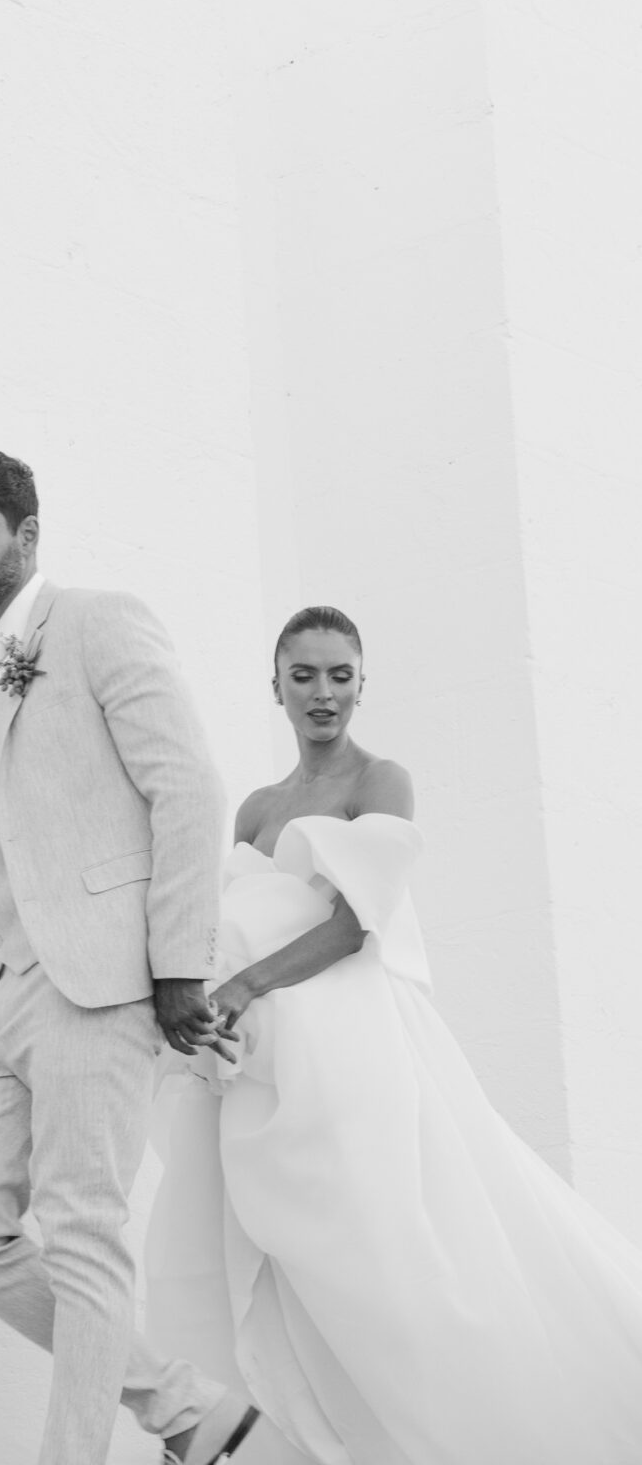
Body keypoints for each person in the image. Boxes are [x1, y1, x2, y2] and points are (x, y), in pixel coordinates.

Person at [145, 605, 642, 1464]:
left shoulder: (380, 780)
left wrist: (243, 986)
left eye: (340, 674)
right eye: (303, 674)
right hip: (264, 1063)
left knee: (382, 1259)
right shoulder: (256, 809)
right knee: (279, 1268)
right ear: (275, 687)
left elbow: (352, 927)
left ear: (362, 683)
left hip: (349, 1049)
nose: (322, 692)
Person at [0, 448, 262, 1465]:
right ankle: (191, 1411)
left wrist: (176, 966)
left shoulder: (100, 621)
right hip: (6, 988)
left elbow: (187, 787)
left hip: (105, 977)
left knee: (81, 1232)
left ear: (27, 533)